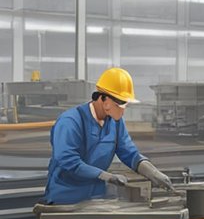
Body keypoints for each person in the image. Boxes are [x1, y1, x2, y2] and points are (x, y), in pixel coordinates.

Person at [42, 67, 175, 204]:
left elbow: (128, 152)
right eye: (120, 106)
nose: (123, 112)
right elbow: (69, 161)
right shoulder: (70, 122)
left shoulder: (115, 122)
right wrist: (107, 176)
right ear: (103, 100)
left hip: (96, 198)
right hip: (65, 198)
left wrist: (151, 171)